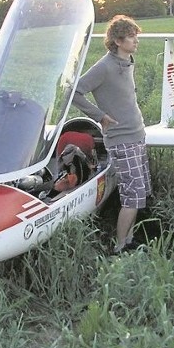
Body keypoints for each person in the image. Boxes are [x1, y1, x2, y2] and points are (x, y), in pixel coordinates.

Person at [71, 15, 151, 254]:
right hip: (121, 140)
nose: (136, 40)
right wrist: (100, 116)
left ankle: (129, 239)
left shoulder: (125, 62)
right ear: (117, 40)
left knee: (140, 191)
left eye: (136, 35)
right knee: (132, 195)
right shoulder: (104, 66)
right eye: (131, 36)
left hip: (137, 135)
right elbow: (75, 92)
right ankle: (119, 247)